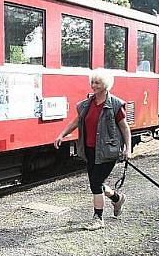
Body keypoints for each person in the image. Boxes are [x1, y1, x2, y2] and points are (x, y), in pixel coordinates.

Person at [53, 68, 131, 230]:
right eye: (92, 82)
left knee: (95, 184)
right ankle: (117, 199)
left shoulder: (115, 105)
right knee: (98, 183)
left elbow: (125, 129)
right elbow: (76, 122)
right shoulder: (87, 104)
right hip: (90, 150)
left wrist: (127, 149)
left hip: (107, 151)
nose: (93, 85)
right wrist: (62, 134)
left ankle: (98, 219)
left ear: (105, 85)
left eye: (97, 83)